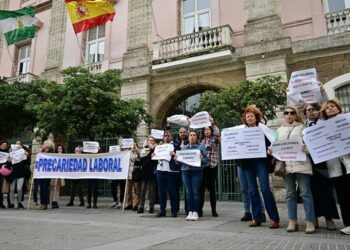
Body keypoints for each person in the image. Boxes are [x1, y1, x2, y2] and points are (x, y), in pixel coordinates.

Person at [269, 106, 315, 233]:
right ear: (284, 115)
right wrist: (271, 150)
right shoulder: (278, 131)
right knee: (290, 194)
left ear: (296, 115)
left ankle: (310, 221)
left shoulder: (303, 128)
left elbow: (312, 145)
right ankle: (292, 221)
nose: (289, 115)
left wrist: (307, 148)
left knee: (305, 193)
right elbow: (274, 146)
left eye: (292, 113)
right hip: (286, 166)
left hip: (302, 164)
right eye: (286, 113)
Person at [237, 105, 280, 228]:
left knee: (265, 189)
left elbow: (273, 141)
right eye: (247, 116)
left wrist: (271, 149)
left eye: (252, 116)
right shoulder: (241, 131)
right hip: (247, 164)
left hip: (261, 163)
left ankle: (274, 218)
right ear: (245, 119)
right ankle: (256, 218)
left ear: (256, 118)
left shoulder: (263, 130)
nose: (249, 118)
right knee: (252, 190)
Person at [304, 103, 339, 230]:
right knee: (311, 192)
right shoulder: (302, 127)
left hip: (323, 164)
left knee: (326, 191)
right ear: (305, 113)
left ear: (318, 111)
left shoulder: (324, 124)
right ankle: (314, 218)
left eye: (313, 109)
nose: (311, 112)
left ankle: (329, 219)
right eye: (308, 110)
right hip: (308, 164)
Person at [320, 99, 350, 235]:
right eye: (327, 108)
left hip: (348, 163)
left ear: (338, 108)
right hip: (335, 167)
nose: (330, 108)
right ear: (324, 112)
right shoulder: (322, 128)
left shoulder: (347, 120)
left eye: (333, 106)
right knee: (342, 196)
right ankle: (348, 224)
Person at [177, 130, 208, 221]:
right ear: (188, 137)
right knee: (188, 192)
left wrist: (202, 159)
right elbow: (180, 161)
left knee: (195, 192)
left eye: (194, 135)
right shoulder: (184, 148)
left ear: (197, 137)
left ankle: (195, 211)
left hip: (197, 171)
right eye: (191, 135)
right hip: (185, 171)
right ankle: (190, 211)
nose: (192, 137)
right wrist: (176, 158)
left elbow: (206, 161)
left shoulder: (201, 148)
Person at [155, 131, 181, 218]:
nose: (166, 137)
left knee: (172, 191)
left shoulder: (175, 145)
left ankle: (174, 211)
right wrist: (153, 155)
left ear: (171, 137)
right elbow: (155, 156)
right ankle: (162, 210)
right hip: (160, 169)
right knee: (161, 192)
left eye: (168, 135)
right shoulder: (159, 147)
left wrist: (175, 154)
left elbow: (180, 156)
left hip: (171, 171)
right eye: (164, 136)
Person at [199, 119, 220, 217]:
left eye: (208, 129)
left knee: (212, 189)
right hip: (202, 166)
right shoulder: (200, 141)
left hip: (212, 165)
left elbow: (217, 133)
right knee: (201, 188)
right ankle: (200, 210)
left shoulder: (214, 139)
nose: (207, 131)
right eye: (205, 130)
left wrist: (213, 123)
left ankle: (214, 210)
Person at [138, 136, 158, 214]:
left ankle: (151, 206)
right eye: (149, 140)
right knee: (143, 190)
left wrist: (152, 149)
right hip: (144, 172)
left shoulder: (156, 149)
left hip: (152, 172)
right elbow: (142, 159)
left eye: (152, 140)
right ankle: (141, 206)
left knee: (151, 191)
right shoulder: (144, 150)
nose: (150, 141)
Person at [8, 141, 29, 209]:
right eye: (16, 144)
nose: (17, 145)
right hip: (12, 173)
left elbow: (27, 163)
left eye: (19, 144)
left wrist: (27, 155)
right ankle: (11, 203)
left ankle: (19, 202)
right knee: (12, 189)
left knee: (19, 189)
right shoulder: (11, 152)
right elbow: (7, 164)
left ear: (21, 145)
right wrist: (9, 160)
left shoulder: (23, 152)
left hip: (21, 173)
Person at [38, 140, 55, 210]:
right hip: (41, 172)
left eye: (44, 144)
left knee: (45, 188)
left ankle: (44, 203)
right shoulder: (42, 152)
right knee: (42, 188)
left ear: (48, 145)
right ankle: (43, 203)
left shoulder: (51, 152)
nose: (43, 145)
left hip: (47, 173)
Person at [124, 143, 141, 211]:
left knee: (136, 190)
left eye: (134, 146)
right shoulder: (127, 153)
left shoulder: (138, 153)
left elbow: (139, 159)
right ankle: (129, 203)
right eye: (132, 146)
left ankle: (136, 204)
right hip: (128, 173)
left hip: (135, 174)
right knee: (129, 190)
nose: (133, 147)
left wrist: (137, 151)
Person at [50, 144, 65, 209]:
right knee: (54, 188)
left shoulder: (64, 156)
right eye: (58, 148)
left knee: (58, 188)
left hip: (60, 174)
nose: (59, 150)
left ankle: (56, 201)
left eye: (61, 148)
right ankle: (53, 201)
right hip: (54, 173)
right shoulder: (54, 156)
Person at [0, 141, 11, 208]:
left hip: (4, 172)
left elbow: (9, 165)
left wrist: (9, 161)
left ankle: (2, 203)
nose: (4, 146)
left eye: (5, 145)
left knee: (2, 188)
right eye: (2, 144)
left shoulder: (8, 153)